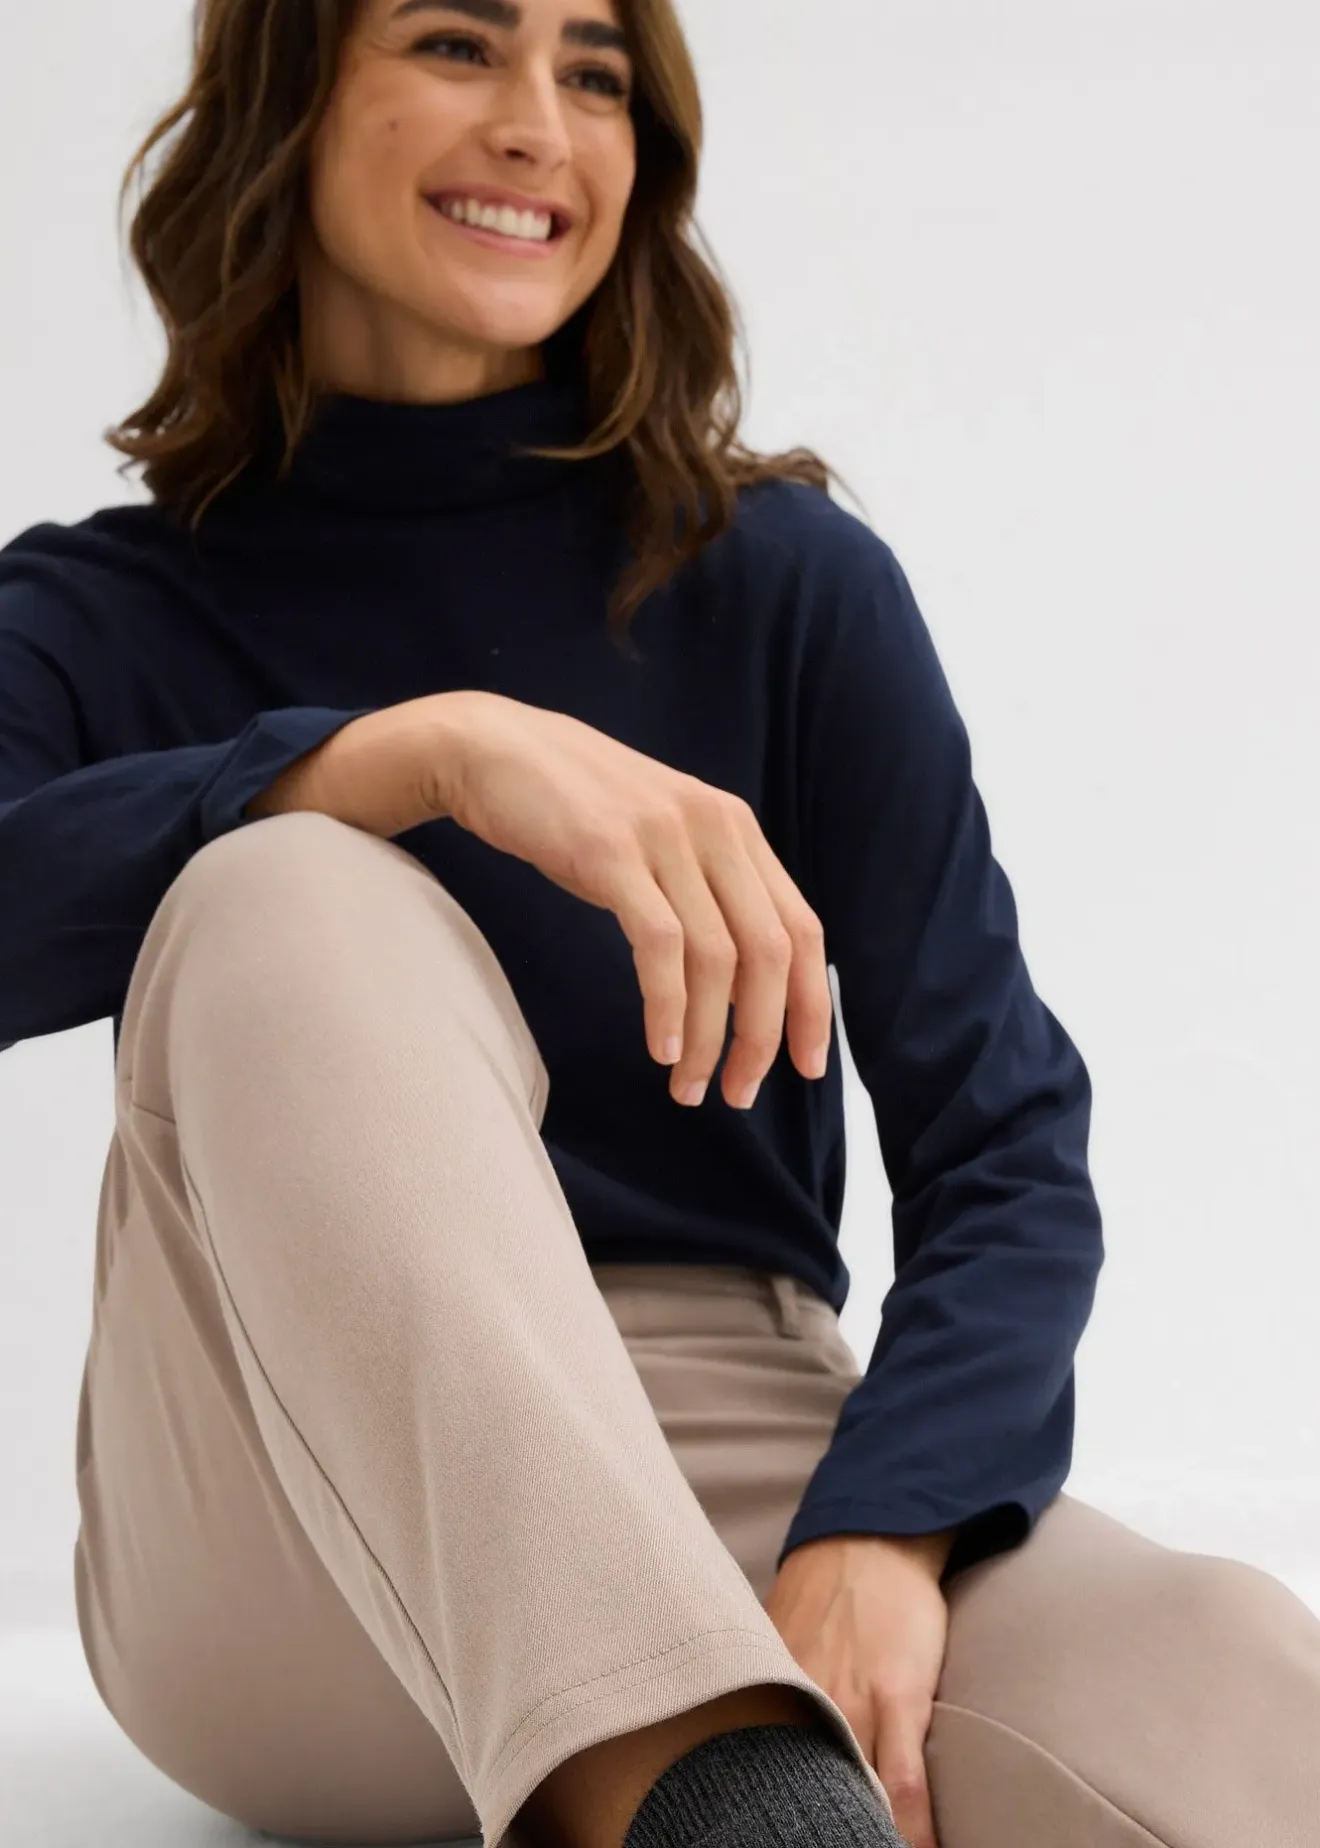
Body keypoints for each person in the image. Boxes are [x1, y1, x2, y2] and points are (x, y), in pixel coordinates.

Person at [2, 1, 1318, 1845]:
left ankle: (726, 1782)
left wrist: (886, 1530)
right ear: (287, 98)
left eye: (596, 72)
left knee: (1230, 1675)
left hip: (728, 1447)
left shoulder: (783, 588)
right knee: (287, 887)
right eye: (456, 44)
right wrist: (408, 756)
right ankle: (724, 1792)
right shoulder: (91, 614)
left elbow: (1006, 1143)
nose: (539, 125)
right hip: (278, 1493)